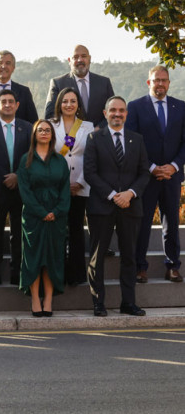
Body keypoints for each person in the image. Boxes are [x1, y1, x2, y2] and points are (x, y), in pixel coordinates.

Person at [84, 96, 149, 317]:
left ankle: (128, 303)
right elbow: (90, 173)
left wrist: (129, 194)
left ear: (126, 114)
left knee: (129, 256)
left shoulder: (137, 139)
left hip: (130, 206)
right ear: (105, 113)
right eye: (113, 110)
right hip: (102, 207)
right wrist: (113, 195)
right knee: (97, 256)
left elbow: (143, 172)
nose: (117, 114)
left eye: (121, 110)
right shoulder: (94, 138)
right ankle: (98, 303)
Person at [126, 66, 185, 284]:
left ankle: (172, 266)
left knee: (172, 223)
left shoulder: (181, 107)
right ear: (148, 82)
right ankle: (141, 267)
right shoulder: (135, 107)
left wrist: (173, 166)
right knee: (143, 223)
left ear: (169, 83)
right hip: (145, 177)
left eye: (164, 80)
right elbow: (132, 143)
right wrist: (151, 167)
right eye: (156, 80)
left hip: (172, 176)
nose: (160, 84)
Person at [17, 120, 70, 317]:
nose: (44, 133)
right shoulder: (26, 160)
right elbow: (25, 191)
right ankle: (34, 299)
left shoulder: (59, 160)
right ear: (34, 134)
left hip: (57, 218)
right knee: (34, 258)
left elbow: (65, 190)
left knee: (51, 259)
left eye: (48, 130)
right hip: (33, 218)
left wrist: (56, 212)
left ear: (52, 135)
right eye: (40, 130)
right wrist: (41, 212)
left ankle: (48, 299)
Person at [0, 89, 32, 287]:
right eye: (4, 102)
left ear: (17, 105)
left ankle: (16, 272)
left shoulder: (28, 128)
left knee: (19, 233)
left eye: (12, 101)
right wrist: (1, 178)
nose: (8, 104)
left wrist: (18, 176)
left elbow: (32, 157)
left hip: (21, 189)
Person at [49, 88, 94, 286]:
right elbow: (47, 156)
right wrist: (61, 185)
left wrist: (81, 182)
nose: (69, 104)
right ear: (59, 103)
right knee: (58, 230)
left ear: (78, 104)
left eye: (73, 101)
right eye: (65, 101)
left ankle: (76, 274)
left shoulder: (87, 126)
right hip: (56, 187)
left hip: (80, 186)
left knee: (76, 229)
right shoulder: (50, 125)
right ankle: (57, 273)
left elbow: (91, 158)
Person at [45, 45, 114, 127]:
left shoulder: (104, 83)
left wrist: (98, 129)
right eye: (76, 57)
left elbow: (113, 112)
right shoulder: (58, 83)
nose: (80, 60)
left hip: (99, 136)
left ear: (90, 59)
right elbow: (50, 115)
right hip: (69, 137)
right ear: (69, 60)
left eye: (84, 56)